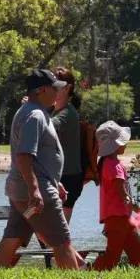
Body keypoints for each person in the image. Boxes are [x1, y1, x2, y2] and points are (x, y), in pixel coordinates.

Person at [0, 69, 81, 270]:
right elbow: (24, 156)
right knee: (62, 241)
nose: (58, 93)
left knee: (13, 238)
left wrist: (55, 181)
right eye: (54, 89)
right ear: (41, 90)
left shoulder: (33, 112)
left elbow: (38, 157)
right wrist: (35, 189)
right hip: (35, 192)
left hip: (24, 189)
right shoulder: (35, 116)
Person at [90, 121, 140, 271]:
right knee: (112, 256)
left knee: (138, 254)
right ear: (115, 145)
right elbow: (124, 196)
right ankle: (87, 272)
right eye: (123, 141)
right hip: (117, 218)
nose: (126, 143)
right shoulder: (113, 166)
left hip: (122, 218)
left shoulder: (108, 164)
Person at [50, 70, 88, 220]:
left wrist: (34, 109)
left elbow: (49, 126)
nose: (48, 88)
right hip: (58, 177)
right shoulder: (53, 111)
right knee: (52, 234)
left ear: (66, 88)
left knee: (59, 234)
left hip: (68, 179)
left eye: (54, 85)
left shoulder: (69, 113)